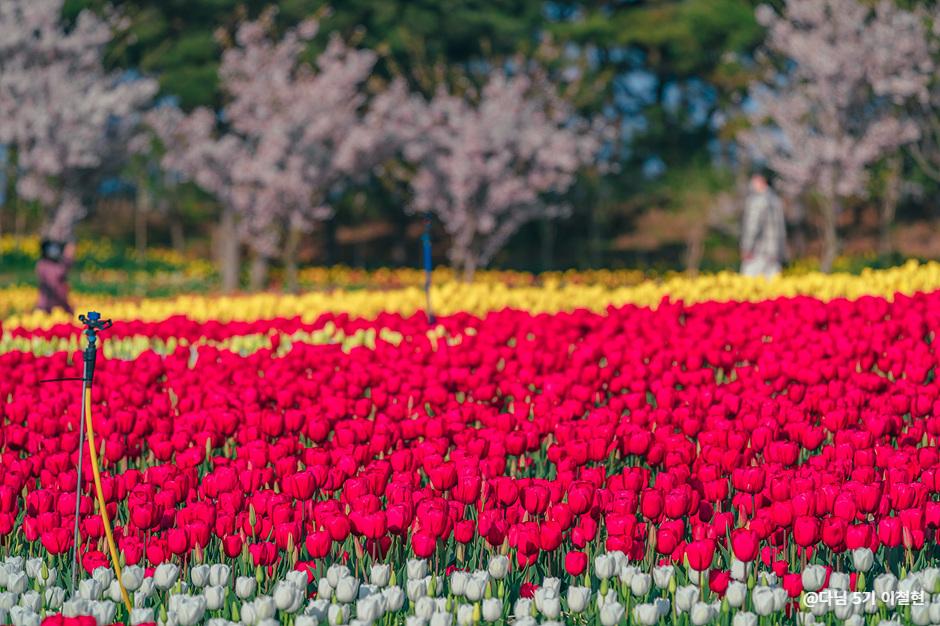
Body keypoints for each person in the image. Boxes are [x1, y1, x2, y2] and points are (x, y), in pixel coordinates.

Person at [740, 170, 787, 278]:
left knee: (749, 288)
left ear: (760, 181)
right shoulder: (776, 200)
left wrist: (747, 248)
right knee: (772, 290)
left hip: (758, 251)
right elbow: (781, 229)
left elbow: (752, 227)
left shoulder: (757, 200)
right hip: (774, 252)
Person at [36, 239, 75, 314]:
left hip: (61, 301)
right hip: (48, 302)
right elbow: (55, 277)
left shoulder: (59, 263)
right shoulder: (43, 264)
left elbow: (67, 265)